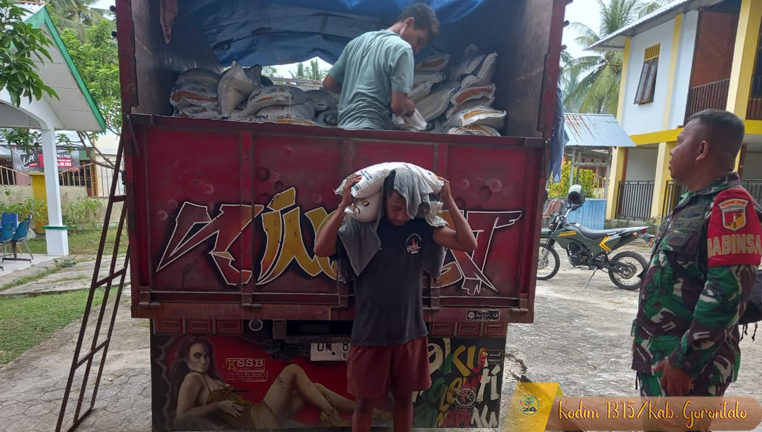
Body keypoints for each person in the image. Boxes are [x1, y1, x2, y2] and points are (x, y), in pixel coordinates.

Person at [314, 171, 478, 432]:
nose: (401, 215)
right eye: (395, 208)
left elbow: (467, 243)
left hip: (410, 333)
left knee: (404, 399)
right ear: (384, 201)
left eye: (407, 209)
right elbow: (321, 249)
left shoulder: (421, 228)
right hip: (370, 334)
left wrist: (450, 202)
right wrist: (343, 205)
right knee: (364, 404)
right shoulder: (362, 229)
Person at [632, 109, 762, 401]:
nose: (672, 150)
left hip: (691, 369)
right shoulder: (694, 203)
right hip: (662, 355)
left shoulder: (731, 206)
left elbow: (726, 294)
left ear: (702, 149)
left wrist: (685, 362)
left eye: (680, 142)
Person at [168, 336, 381, 430]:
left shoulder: (209, 377)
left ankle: (373, 412)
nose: (203, 361)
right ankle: (332, 414)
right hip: (254, 419)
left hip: (258, 412)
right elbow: (181, 416)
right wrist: (217, 406)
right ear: (185, 358)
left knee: (315, 389)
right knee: (292, 370)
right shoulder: (192, 378)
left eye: (206, 355)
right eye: (197, 356)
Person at [322, 3, 439, 130]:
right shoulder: (402, 48)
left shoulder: (356, 42)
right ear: (409, 23)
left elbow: (328, 84)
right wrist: (408, 106)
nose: (416, 49)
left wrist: (354, 91)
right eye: (419, 40)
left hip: (343, 128)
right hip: (372, 129)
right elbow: (398, 107)